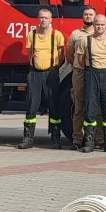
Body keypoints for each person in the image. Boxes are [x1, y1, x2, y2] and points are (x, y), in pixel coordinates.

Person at [18, 8, 66, 149]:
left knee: (54, 106)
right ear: (38, 19)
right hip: (34, 74)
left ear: (51, 20)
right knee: (32, 105)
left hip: (51, 74)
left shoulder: (57, 35)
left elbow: (62, 55)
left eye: (46, 18)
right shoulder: (31, 35)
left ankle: (55, 138)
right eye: (41, 17)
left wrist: (53, 66)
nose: (43, 20)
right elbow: (29, 53)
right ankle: (28, 138)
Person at [76, 14, 106, 153]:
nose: (99, 27)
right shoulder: (85, 40)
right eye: (97, 24)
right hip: (91, 74)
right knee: (90, 109)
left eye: (102, 24)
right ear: (93, 25)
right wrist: (92, 69)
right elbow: (80, 58)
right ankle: (89, 142)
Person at [65, 6, 95, 149]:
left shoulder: (101, 33)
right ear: (82, 16)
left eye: (91, 14)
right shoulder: (75, 34)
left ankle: (98, 139)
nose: (88, 17)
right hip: (80, 73)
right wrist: (77, 66)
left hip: (95, 73)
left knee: (97, 107)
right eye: (86, 14)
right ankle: (77, 139)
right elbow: (69, 54)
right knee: (78, 106)